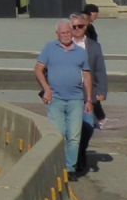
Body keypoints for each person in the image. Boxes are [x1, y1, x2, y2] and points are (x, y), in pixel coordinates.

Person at [34, 19, 93, 174]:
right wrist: (46, 89)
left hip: (76, 99)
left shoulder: (81, 53)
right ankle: (58, 167)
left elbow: (87, 75)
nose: (66, 35)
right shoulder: (49, 48)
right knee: (58, 135)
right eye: (62, 33)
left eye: (68, 32)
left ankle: (70, 168)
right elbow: (38, 69)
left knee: (74, 136)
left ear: (72, 32)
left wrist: (89, 99)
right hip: (56, 99)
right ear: (57, 34)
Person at [70, 9, 107, 174]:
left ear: (86, 27)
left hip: (87, 94)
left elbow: (100, 70)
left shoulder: (93, 47)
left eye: (80, 26)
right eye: (74, 26)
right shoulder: (61, 44)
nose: (77, 29)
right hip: (68, 93)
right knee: (71, 129)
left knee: (87, 127)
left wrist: (102, 91)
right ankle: (74, 160)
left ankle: (81, 151)